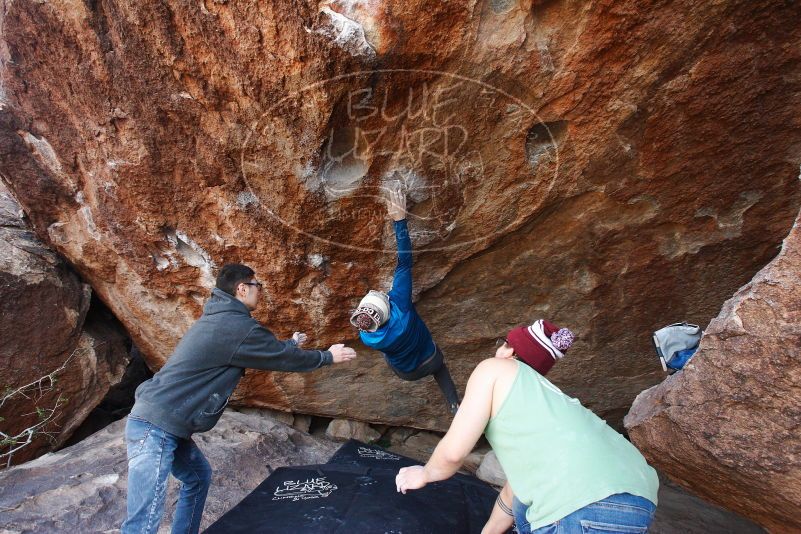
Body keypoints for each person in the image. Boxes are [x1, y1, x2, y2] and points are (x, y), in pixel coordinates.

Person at [122, 264, 357, 534]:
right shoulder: (234, 325)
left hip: (167, 423)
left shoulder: (223, 319)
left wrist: (290, 343)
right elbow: (279, 358)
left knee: (198, 478)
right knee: (143, 521)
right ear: (242, 289)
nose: (260, 291)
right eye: (257, 286)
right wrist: (327, 357)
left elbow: (266, 350)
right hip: (156, 426)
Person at [395, 321, 659, 534]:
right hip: (638, 501)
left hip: (579, 505)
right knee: (527, 508)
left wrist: (426, 473)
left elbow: (454, 452)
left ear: (509, 352)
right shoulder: (552, 407)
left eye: (502, 344)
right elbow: (516, 492)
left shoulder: (495, 369)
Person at [349, 187, 460, 414]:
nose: (378, 291)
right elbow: (404, 263)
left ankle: (454, 405)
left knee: (395, 356)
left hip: (405, 372)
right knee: (440, 370)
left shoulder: (367, 336)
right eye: (380, 296)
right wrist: (399, 220)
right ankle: (454, 405)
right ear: (388, 309)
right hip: (430, 358)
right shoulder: (400, 305)